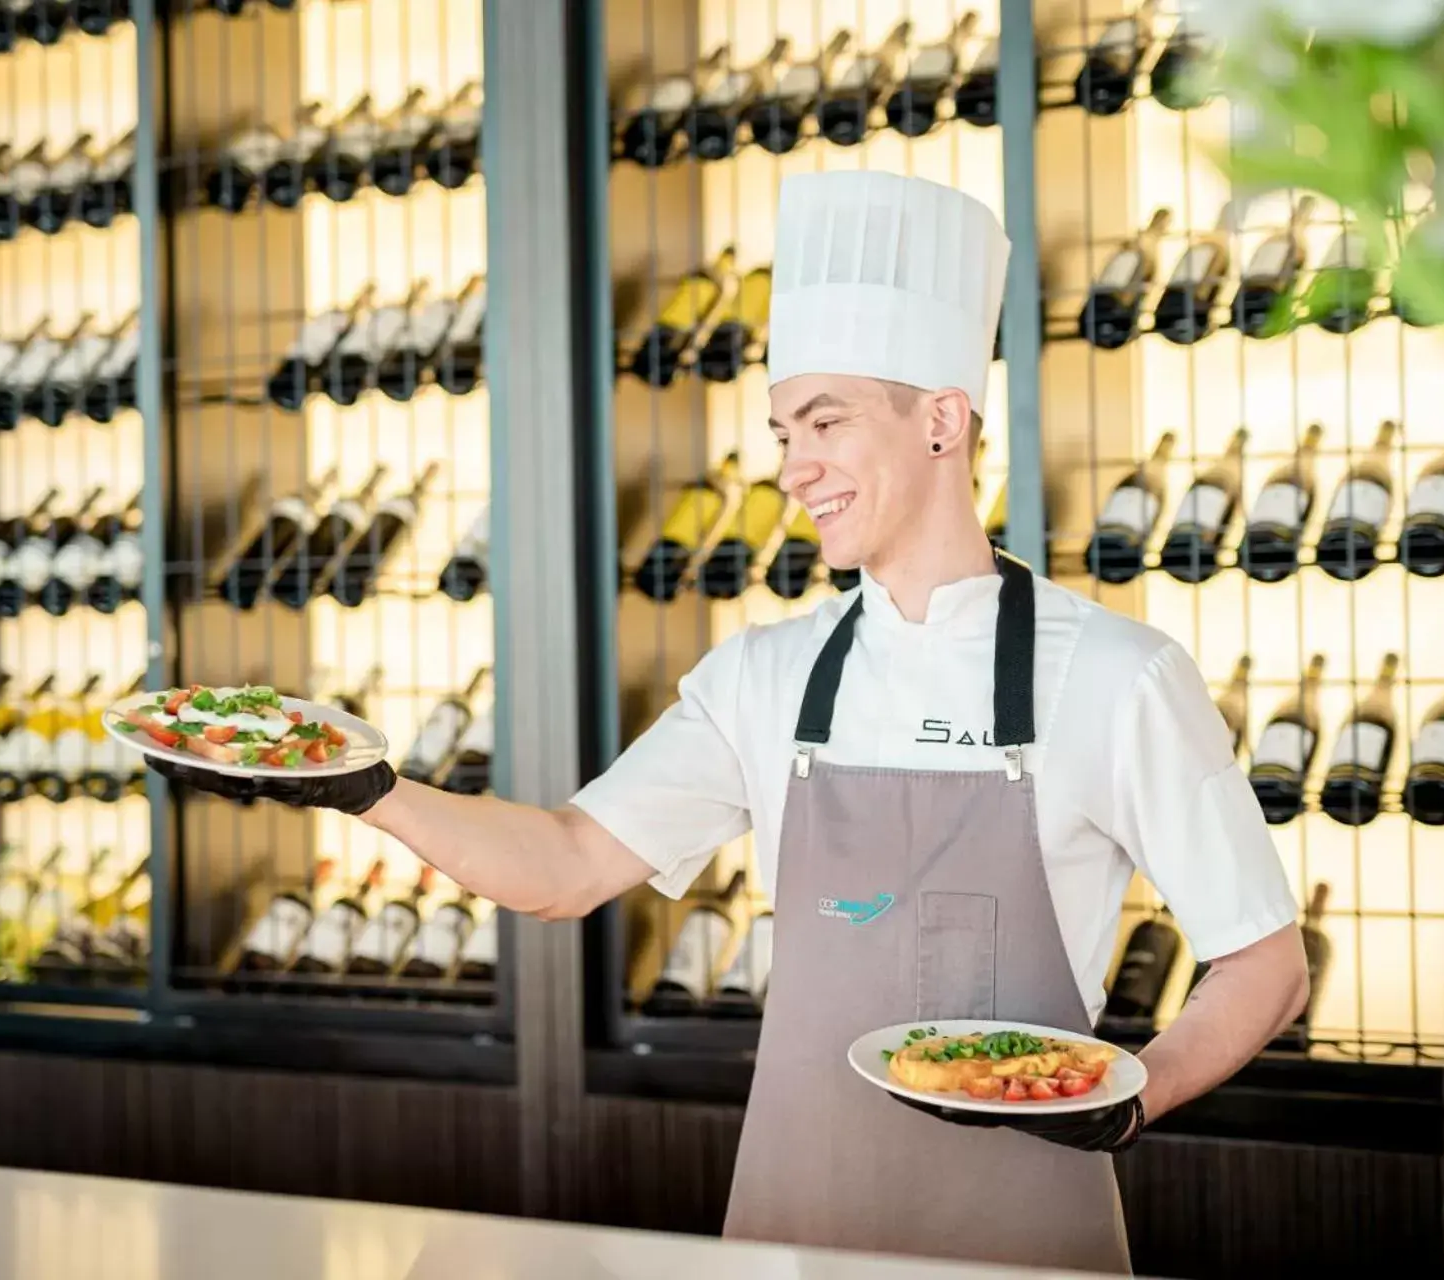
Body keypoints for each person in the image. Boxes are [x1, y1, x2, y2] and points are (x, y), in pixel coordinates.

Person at [152, 171, 1310, 1273]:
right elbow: (561, 864)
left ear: (944, 420)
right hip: (790, 1228)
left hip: (1020, 1238)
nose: (796, 469)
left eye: (826, 423)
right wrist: (367, 785)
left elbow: (1263, 958)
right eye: (783, 435)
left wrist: (1130, 1095)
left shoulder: (1116, 676)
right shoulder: (766, 675)